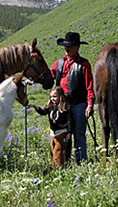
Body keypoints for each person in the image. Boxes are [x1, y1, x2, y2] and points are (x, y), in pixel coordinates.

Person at [50, 32, 94, 164]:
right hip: (62, 105)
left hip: (78, 104)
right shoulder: (59, 63)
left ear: (77, 47)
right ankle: (65, 161)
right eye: (66, 46)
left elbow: (89, 86)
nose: (67, 49)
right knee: (64, 134)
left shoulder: (84, 64)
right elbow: (49, 76)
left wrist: (90, 104)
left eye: (70, 46)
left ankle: (81, 162)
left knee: (79, 134)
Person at [28, 86, 72, 169]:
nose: (53, 99)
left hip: (62, 132)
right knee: (53, 152)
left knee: (58, 152)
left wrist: (69, 132)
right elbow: (43, 112)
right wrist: (34, 106)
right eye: (51, 97)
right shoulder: (50, 107)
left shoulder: (65, 106)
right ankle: (62, 167)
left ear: (60, 96)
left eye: (55, 97)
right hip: (53, 133)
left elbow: (69, 120)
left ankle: (55, 169)